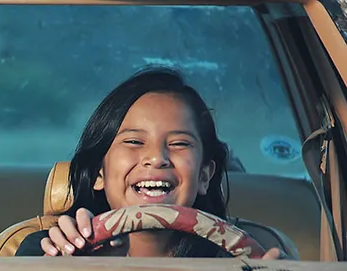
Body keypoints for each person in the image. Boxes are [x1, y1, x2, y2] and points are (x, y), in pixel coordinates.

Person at [14, 67, 283, 259]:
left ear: (204, 175)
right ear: (99, 171)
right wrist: (71, 269)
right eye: (133, 142)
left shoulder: (246, 258)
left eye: (179, 144)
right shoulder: (46, 249)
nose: (156, 158)